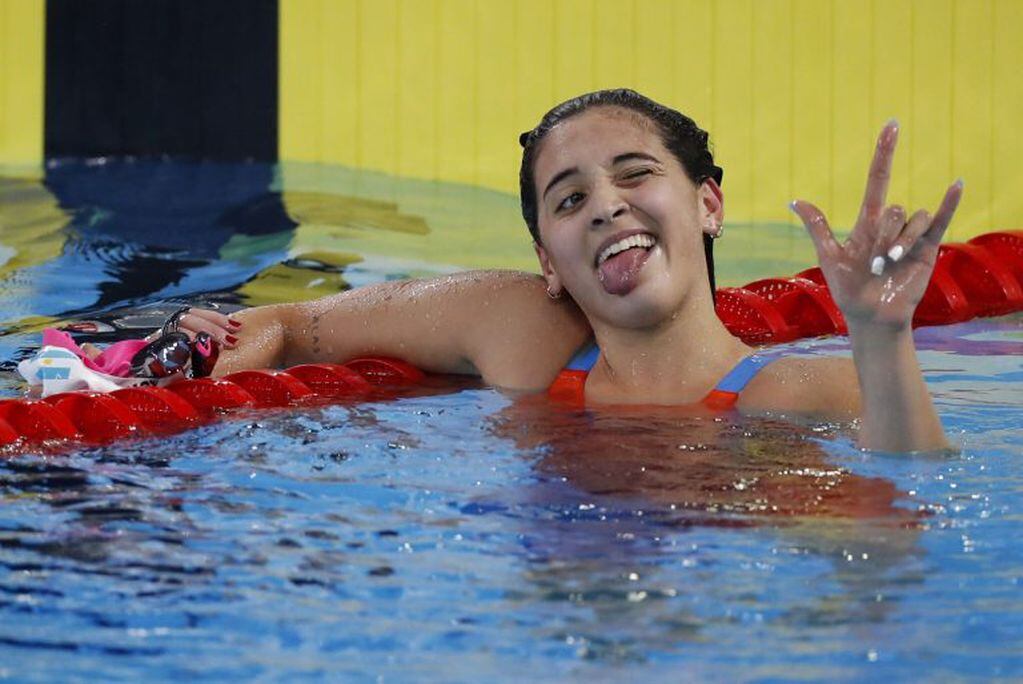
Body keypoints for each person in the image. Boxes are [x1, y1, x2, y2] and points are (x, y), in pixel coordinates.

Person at [169, 89, 963, 453]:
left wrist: (880, 332)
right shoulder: (520, 333)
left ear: (708, 204)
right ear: (547, 260)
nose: (606, 207)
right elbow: (301, 325)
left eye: (633, 174)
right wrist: (213, 367)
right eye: (570, 197)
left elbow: (901, 514)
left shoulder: (795, 393)